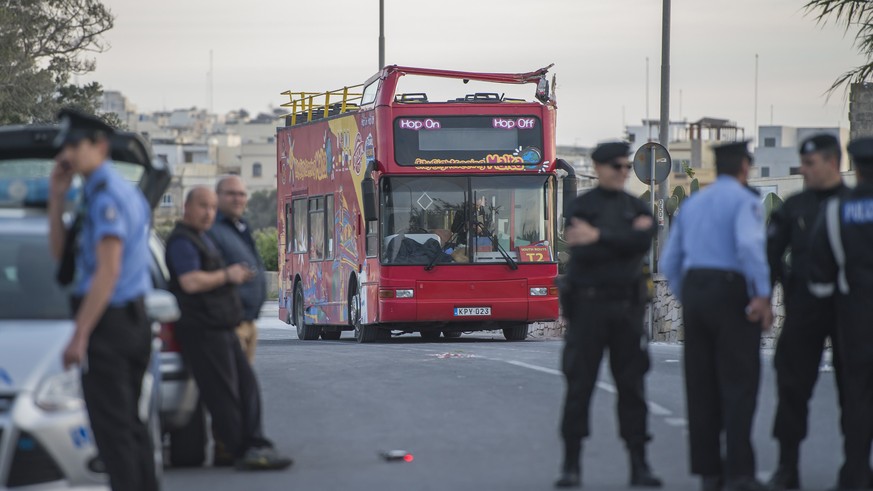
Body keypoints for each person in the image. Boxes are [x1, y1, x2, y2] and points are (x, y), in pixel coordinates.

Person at [48, 108, 157, 491]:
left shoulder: (108, 196)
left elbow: (106, 273)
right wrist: (56, 197)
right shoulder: (95, 191)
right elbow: (62, 257)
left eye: (77, 145)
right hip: (122, 322)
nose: (69, 154)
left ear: (100, 146)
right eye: (66, 147)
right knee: (128, 426)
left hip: (112, 325)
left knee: (114, 434)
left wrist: (79, 335)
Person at [660, 141, 772, 491]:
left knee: (701, 385)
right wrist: (762, 295)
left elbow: (669, 262)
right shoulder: (744, 201)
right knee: (739, 384)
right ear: (743, 167)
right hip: (730, 293)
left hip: (696, 292)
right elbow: (750, 247)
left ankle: (709, 473)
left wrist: (688, 296)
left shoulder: (693, 203)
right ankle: (740, 473)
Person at [555, 141, 661, 489]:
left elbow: (642, 242)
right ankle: (571, 465)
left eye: (626, 167)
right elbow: (584, 245)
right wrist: (624, 238)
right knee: (579, 387)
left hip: (627, 311)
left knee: (632, 389)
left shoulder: (635, 206)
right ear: (599, 168)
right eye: (616, 166)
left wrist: (600, 236)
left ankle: (639, 464)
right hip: (588, 310)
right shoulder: (580, 206)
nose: (623, 172)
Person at [165, 186, 292, 471]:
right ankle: (242, 451)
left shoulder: (201, 238)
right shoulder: (183, 242)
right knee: (224, 395)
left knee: (246, 387)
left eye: (211, 207)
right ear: (187, 207)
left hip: (222, 326)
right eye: (202, 206)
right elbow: (190, 282)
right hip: (203, 330)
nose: (208, 213)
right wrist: (228, 275)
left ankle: (256, 444)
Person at [765, 134, 848, 490]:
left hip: (849, 311)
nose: (804, 170)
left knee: (856, 392)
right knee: (792, 387)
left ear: (832, 162)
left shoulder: (855, 204)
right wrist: (773, 290)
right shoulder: (794, 205)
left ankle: (856, 467)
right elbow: (770, 253)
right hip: (804, 309)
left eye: (810, 164)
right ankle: (787, 467)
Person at [808, 137, 873, 491]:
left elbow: (820, 271)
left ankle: (856, 473)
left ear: (856, 167)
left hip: (856, 319)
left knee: (857, 399)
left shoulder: (836, 210)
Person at [207, 175, 266, 363]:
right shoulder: (211, 229)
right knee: (238, 386)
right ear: (217, 196)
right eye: (231, 194)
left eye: (241, 194)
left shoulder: (241, 225)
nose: (237, 199)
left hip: (249, 323)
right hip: (229, 324)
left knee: (242, 386)